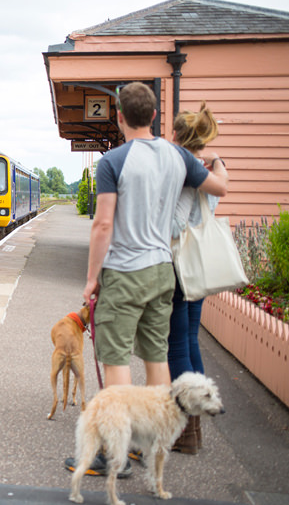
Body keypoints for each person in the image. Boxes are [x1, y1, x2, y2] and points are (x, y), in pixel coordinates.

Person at [64, 82, 229, 478]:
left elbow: (103, 224)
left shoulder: (113, 161)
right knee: (157, 358)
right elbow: (219, 187)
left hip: (125, 271)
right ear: (154, 116)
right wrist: (216, 159)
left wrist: (91, 280)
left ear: (119, 116)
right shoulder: (178, 157)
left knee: (116, 358)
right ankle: (153, 442)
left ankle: (112, 453)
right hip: (162, 272)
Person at [168, 102, 222, 455]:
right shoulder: (211, 173)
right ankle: (195, 429)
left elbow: (177, 225)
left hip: (179, 270)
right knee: (191, 341)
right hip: (198, 270)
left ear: (178, 136)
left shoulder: (187, 174)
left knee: (176, 347)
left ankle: (185, 429)